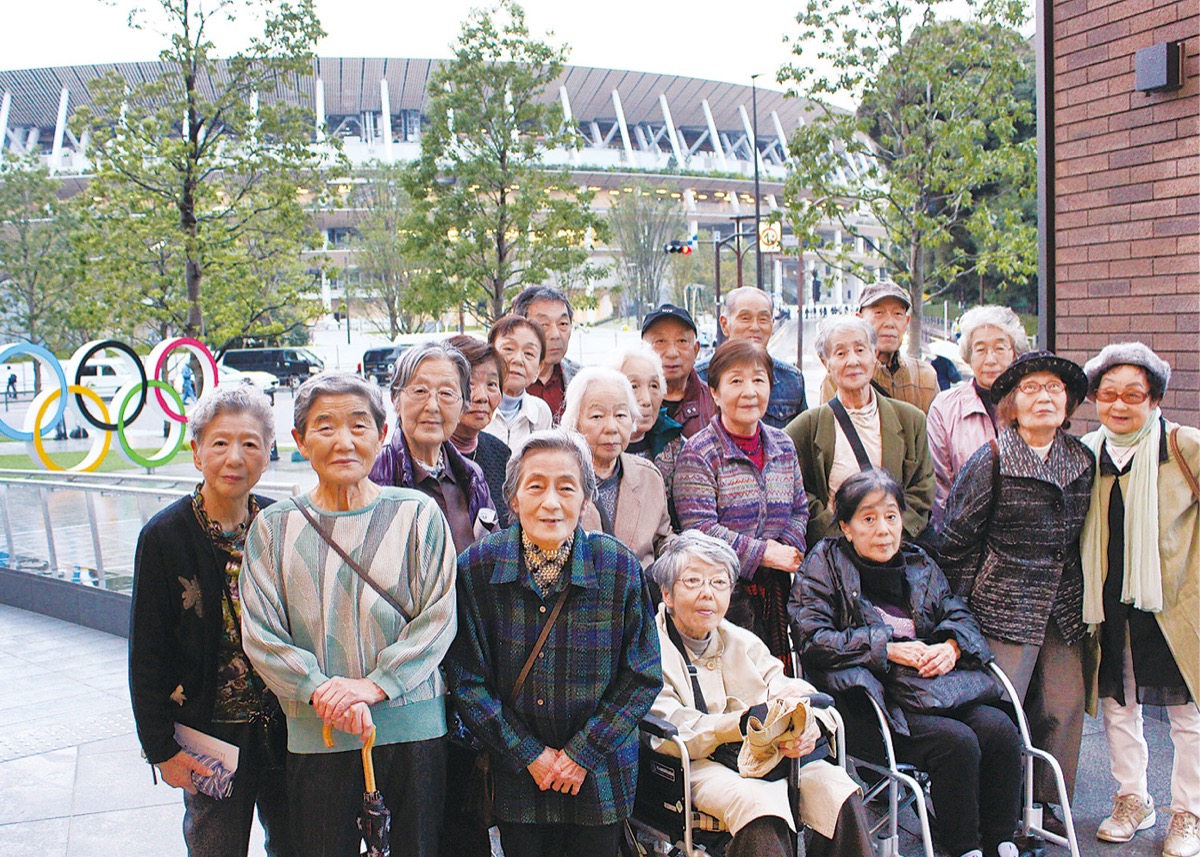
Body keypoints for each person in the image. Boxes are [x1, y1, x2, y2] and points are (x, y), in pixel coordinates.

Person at [239, 373, 457, 857]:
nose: (344, 441)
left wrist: (373, 685)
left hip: (412, 727)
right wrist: (323, 691)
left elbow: (439, 617)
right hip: (318, 734)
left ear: (382, 435)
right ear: (299, 440)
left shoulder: (418, 515)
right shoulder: (274, 528)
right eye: (325, 427)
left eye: (359, 426)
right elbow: (261, 633)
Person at [446, 429, 662, 857]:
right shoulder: (478, 569)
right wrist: (530, 754)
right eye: (535, 486)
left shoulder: (617, 566)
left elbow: (642, 675)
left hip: (600, 777)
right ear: (513, 498)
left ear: (585, 501)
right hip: (518, 777)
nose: (550, 502)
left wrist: (582, 753)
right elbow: (467, 680)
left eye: (567, 488)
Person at [791, 469, 1023, 857]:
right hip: (870, 702)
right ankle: (963, 849)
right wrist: (888, 648)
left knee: (999, 727)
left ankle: (1000, 843)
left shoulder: (919, 562)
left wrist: (951, 646)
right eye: (869, 519)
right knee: (958, 742)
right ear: (846, 527)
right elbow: (812, 640)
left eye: (891, 516)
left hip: (932, 690)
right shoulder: (823, 567)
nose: (883, 530)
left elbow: (958, 613)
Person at [130, 384, 293, 857]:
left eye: (250, 443)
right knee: (215, 848)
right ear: (196, 451)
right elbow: (147, 652)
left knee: (296, 844)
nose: (234, 457)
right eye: (220, 442)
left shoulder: (280, 525)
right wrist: (160, 749)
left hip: (284, 729)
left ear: (267, 454)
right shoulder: (164, 536)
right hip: (211, 738)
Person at [939, 350, 1094, 831]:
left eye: (1054, 388)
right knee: (1001, 710)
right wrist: (957, 612)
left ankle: (1049, 805)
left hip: (1062, 603)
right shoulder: (994, 458)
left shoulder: (1082, 459)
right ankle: (994, 811)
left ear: (1067, 404)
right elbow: (956, 540)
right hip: (1002, 602)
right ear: (1011, 404)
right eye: (1031, 389)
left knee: (1063, 707)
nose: (1043, 397)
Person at [649, 531, 873, 857]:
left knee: (836, 791)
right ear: (667, 594)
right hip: (696, 765)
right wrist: (739, 724)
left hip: (765, 756)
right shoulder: (651, 649)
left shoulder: (741, 640)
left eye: (719, 583)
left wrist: (807, 724)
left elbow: (785, 685)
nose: (707, 594)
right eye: (693, 581)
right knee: (759, 810)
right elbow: (673, 728)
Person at [1078, 343, 1199, 857]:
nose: (1119, 405)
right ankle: (1133, 798)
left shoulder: (1184, 445)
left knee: (1187, 713)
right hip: (1108, 602)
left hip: (1175, 605)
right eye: (1108, 395)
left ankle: (1187, 813)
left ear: (1154, 399)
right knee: (1117, 705)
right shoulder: (1087, 453)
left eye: (1133, 394)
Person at [673, 339, 807, 666]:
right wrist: (763, 554)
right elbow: (700, 529)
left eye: (759, 380)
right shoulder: (700, 452)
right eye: (736, 381)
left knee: (776, 680)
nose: (749, 391)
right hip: (722, 593)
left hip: (776, 591)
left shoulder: (782, 444)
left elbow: (800, 509)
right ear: (715, 393)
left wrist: (784, 549)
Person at [787, 315, 935, 551]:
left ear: (874, 354)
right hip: (837, 553)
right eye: (841, 353)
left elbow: (923, 489)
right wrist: (845, 537)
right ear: (826, 362)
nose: (853, 361)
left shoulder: (911, 420)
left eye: (860, 349)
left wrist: (888, 536)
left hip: (895, 552)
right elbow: (799, 495)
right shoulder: (805, 427)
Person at [370, 341, 497, 554]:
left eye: (447, 393)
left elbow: (493, 557)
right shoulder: (374, 475)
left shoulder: (472, 476)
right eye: (420, 391)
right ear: (396, 400)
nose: (432, 406)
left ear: (463, 406)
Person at [561, 366, 673, 571]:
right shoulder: (558, 478)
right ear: (575, 422)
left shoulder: (648, 475)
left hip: (641, 595)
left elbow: (662, 539)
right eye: (597, 416)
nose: (611, 427)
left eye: (621, 415)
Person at [926, 306, 1029, 525]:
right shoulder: (945, 407)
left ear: (1014, 353)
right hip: (963, 535)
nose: (990, 359)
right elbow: (940, 487)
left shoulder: (1031, 402)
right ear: (968, 356)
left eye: (1000, 348)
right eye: (980, 350)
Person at [819, 281, 939, 413]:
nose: (889, 323)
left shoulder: (925, 376)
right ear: (860, 320)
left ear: (907, 322)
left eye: (898, 314)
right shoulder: (841, 377)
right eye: (879, 313)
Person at [696, 287, 807, 428]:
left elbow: (803, 443)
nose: (755, 327)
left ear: (772, 324)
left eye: (763, 319)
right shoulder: (699, 377)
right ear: (725, 324)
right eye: (745, 318)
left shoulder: (791, 380)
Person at [447, 334, 512, 528]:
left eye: (492, 384)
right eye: (469, 384)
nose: (482, 397)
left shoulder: (500, 453)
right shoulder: (427, 455)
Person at [613, 343, 685, 517]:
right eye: (633, 386)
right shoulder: (593, 447)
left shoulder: (676, 446)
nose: (646, 400)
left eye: (654, 386)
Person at [641, 303, 716, 439]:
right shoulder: (627, 402)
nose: (672, 353)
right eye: (660, 341)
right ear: (643, 349)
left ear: (696, 350)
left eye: (682, 341)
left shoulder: (716, 402)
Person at [486, 314, 554, 449]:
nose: (518, 360)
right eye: (508, 349)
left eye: (529, 353)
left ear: (538, 369)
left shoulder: (541, 412)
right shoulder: (474, 405)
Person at [513, 285, 579, 423]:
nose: (555, 335)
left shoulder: (580, 379)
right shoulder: (500, 381)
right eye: (543, 325)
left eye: (563, 324)